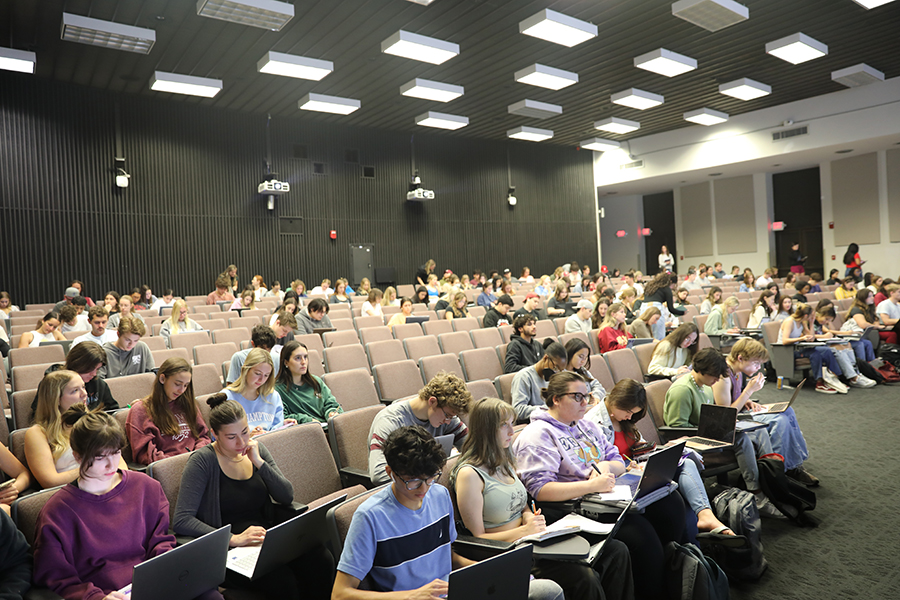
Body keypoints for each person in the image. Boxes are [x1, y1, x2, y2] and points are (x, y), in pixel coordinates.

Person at [335, 425, 564, 600]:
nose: (423, 489)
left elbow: (448, 557)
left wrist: (485, 571)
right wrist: (412, 595)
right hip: (410, 598)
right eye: (413, 482)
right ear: (390, 472)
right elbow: (340, 593)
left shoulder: (440, 495)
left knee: (548, 590)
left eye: (430, 478)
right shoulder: (370, 516)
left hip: (454, 591)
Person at [515, 371, 687, 600]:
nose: (585, 402)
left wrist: (605, 466)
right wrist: (591, 485)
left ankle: (678, 581)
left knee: (671, 505)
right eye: (577, 396)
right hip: (574, 509)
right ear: (556, 398)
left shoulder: (586, 426)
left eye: (586, 396)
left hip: (605, 497)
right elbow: (541, 491)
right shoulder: (538, 435)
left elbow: (618, 460)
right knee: (642, 538)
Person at [452, 397, 633, 600]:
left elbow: (523, 505)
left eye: (512, 424)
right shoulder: (469, 474)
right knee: (584, 577)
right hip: (511, 551)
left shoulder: (504, 460)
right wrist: (523, 531)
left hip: (533, 539)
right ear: (486, 429)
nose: (512, 432)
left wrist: (529, 517)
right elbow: (478, 539)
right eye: (504, 426)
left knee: (616, 551)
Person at [33, 408, 223, 600]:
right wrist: (95, 598)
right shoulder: (57, 512)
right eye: (100, 458)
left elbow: (160, 540)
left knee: (210, 596)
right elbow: (57, 577)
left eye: (115, 453)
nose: (111, 465)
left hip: (153, 584)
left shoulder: (146, 487)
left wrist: (166, 572)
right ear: (77, 456)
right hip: (105, 594)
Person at [173, 395, 333, 600]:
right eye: (231, 437)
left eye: (245, 432)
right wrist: (232, 539)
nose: (241, 442)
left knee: (321, 559)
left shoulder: (256, 450)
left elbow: (286, 496)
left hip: (266, 541)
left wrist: (259, 463)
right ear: (215, 435)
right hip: (230, 552)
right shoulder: (203, 462)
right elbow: (182, 520)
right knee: (284, 582)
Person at [587, 379, 740, 544]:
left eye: (633, 413)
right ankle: (693, 544)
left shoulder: (625, 419)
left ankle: (705, 515)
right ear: (617, 401)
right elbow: (599, 465)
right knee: (675, 496)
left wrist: (653, 448)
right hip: (621, 479)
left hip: (638, 466)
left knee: (685, 463)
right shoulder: (594, 423)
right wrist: (626, 467)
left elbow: (639, 445)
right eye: (628, 411)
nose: (630, 417)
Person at [663, 348, 784, 518]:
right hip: (691, 441)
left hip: (705, 433)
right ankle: (756, 493)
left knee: (758, 430)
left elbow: (710, 413)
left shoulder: (704, 385)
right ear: (703, 371)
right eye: (714, 376)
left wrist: (724, 422)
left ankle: (771, 481)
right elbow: (677, 428)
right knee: (741, 439)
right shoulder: (682, 390)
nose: (716, 381)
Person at [713, 339, 819, 487]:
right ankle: (777, 468)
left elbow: (735, 398)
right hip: (730, 423)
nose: (758, 368)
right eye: (756, 363)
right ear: (740, 358)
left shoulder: (737, 372)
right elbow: (726, 414)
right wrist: (748, 391)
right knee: (779, 421)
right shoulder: (723, 376)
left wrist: (746, 400)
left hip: (740, 413)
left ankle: (792, 465)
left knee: (787, 411)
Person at [26, 370, 129, 489]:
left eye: (83, 387)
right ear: (56, 399)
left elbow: (121, 466)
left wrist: (97, 468)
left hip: (108, 485)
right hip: (70, 493)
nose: (84, 394)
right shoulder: (38, 433)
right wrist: (95, 468)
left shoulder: (93, 422)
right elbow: (50, 481)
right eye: (75, 391)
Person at [367, 372, 472, 485]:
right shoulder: (390, 421)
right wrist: (424, 478)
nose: (448, 422)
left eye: (452, 417)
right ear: (432, 402)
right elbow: (378, 474)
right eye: (447, 416)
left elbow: (474, 449)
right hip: (404, 491)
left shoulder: (446, 417)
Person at [126, 358, 212, 465]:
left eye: (185, 385)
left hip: (196, 463)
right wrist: (177, 463)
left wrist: (197, 456)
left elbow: (203, 436)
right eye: (177, 384)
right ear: (162, 379)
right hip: (168, 468)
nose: (181, 390)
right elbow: (145, 455)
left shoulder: (188, 405)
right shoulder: (141, 410)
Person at [32, 341, 119, 415]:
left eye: (97, 369)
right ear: (77, 363)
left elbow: (113, 411)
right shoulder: (52, 383)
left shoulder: (98, 384)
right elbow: (40, 415)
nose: (94, 374)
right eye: (90, 369)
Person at [223, 348, 292, 436]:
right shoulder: (227, 397)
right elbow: (219, 436)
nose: (261, 379)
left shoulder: (273, 396)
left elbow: (277, 430)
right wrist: (248, 436)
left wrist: (283, 425)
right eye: (258, 373)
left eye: (266, 375)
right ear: (246, 370)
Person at [778, 303, 845, 393]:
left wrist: (811, 323)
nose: (814, 316)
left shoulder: (801, 322)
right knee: (815, 354)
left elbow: (811, 338)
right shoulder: (790, 321)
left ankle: (836, 377)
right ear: (806, 316)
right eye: (811, 316)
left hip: (797, 347)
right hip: (787, 350)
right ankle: (819, 382)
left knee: (826, 350)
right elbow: (785, 340)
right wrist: (802, 338)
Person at [275, 341, 344, 424]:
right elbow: (282, 417)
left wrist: (331, 412)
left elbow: (331, 403)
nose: (303, 362)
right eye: (298, 358)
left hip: (327, 427)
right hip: (306, 431)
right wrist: (307, 420)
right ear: (286, 362)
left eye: (305, 357)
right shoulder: (277, 389)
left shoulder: (315, 381)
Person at [814, 302, 878, 379]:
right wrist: (825, 335)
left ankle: (859, 371)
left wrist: (829, 322)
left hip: (825, 341)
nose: (826, 321)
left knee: (851, 344)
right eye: (826, 319)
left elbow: (830, 330)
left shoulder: (821, 323)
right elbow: (823, 333)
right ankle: (853, 375)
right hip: (819, 344)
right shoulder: (813, 322)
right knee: (853, 345)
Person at [511, 340, 567, 422]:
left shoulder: (556, 376)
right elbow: (518, 410)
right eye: (555, 367)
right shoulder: (524, 377)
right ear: (545, 358)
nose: (557, 372)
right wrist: (547, 409)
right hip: (533, 423)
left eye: (560, 370)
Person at [642, 272, 684, 340]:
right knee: (659, 336)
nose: (673, 287)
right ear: (670, 282)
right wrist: (682, 312)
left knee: (646, 335)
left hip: (643, 308)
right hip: (655, 309)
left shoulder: (650, 285)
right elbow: (671, 309)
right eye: (674, 284)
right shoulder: (666, 288)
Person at [564, 338, 607, 404]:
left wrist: (595, 397)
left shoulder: (582, 371)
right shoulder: (560, 375)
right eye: (581, 356)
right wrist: (586, 401)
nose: (583, 361)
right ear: (570, 353)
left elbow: (598, 386)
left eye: (585, 358)